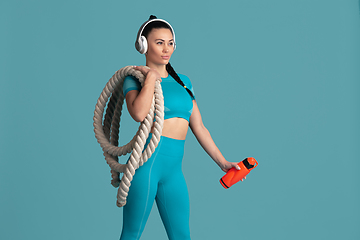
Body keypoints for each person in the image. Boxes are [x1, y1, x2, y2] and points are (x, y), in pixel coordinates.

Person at [120, 15, 245, 240]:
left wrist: (223, 163)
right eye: (159, 43)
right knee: (131, 234)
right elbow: (138, 113)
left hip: (174, 171)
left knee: (181, 235)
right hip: (146, 166)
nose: (167, 48)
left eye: (170, 42)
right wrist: (150, 79)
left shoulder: (184, 81)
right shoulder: (134, 78)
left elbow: (199, 127)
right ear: (144, 46)